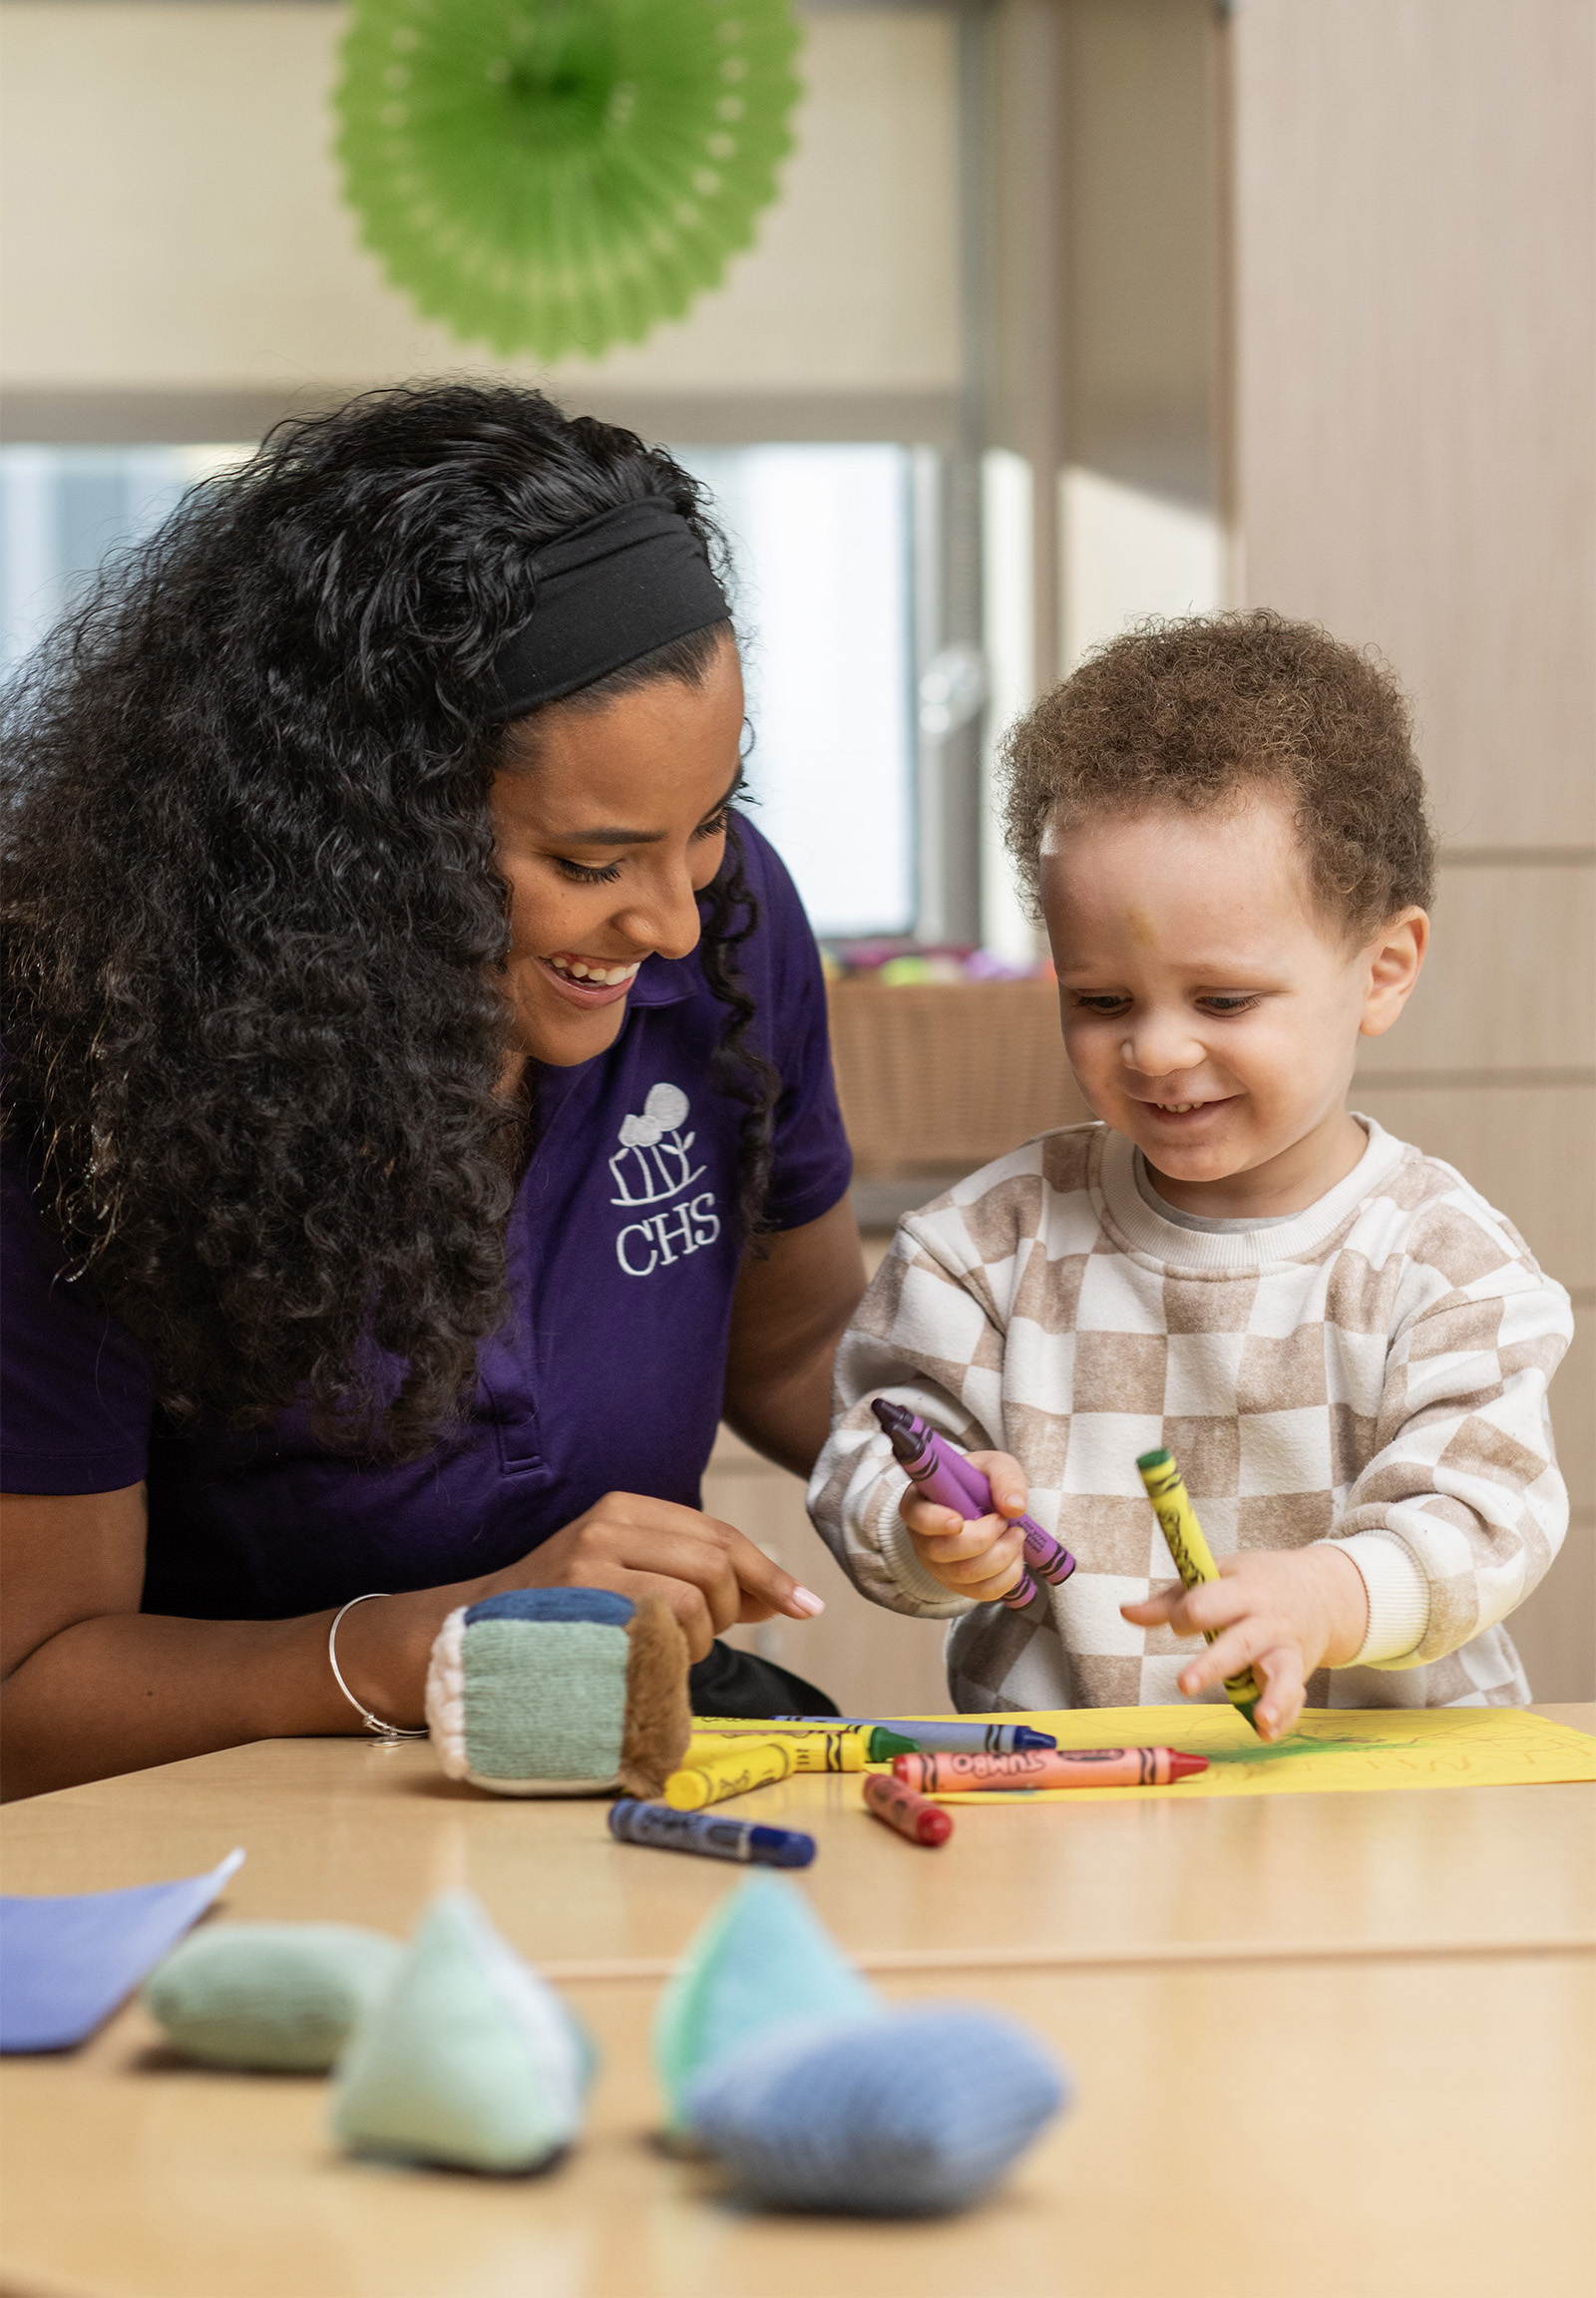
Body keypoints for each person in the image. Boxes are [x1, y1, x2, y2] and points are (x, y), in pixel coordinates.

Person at [1, 383, 867, 1801]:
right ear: (362, 843)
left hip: (633, 1747)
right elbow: (25, 1694)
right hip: (262, 1789)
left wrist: (965, 1461)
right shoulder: (80, 1062)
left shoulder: (725, 927)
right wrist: (421, 1647)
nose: (668, 919)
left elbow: (794, 1346)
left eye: (707, 823)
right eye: (590, 864)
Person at [810, 611, 1573, 1738]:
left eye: (1222, 1001)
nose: (1156, 1051)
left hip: (1387, 1806)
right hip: (1074, 1805)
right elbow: (873, 1453)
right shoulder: (982, 1249)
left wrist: (1328, 1596)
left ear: (1383, 968)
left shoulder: (1442, 1265)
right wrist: (929, 1534)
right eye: (1101, 1001)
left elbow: (1485, 1514)